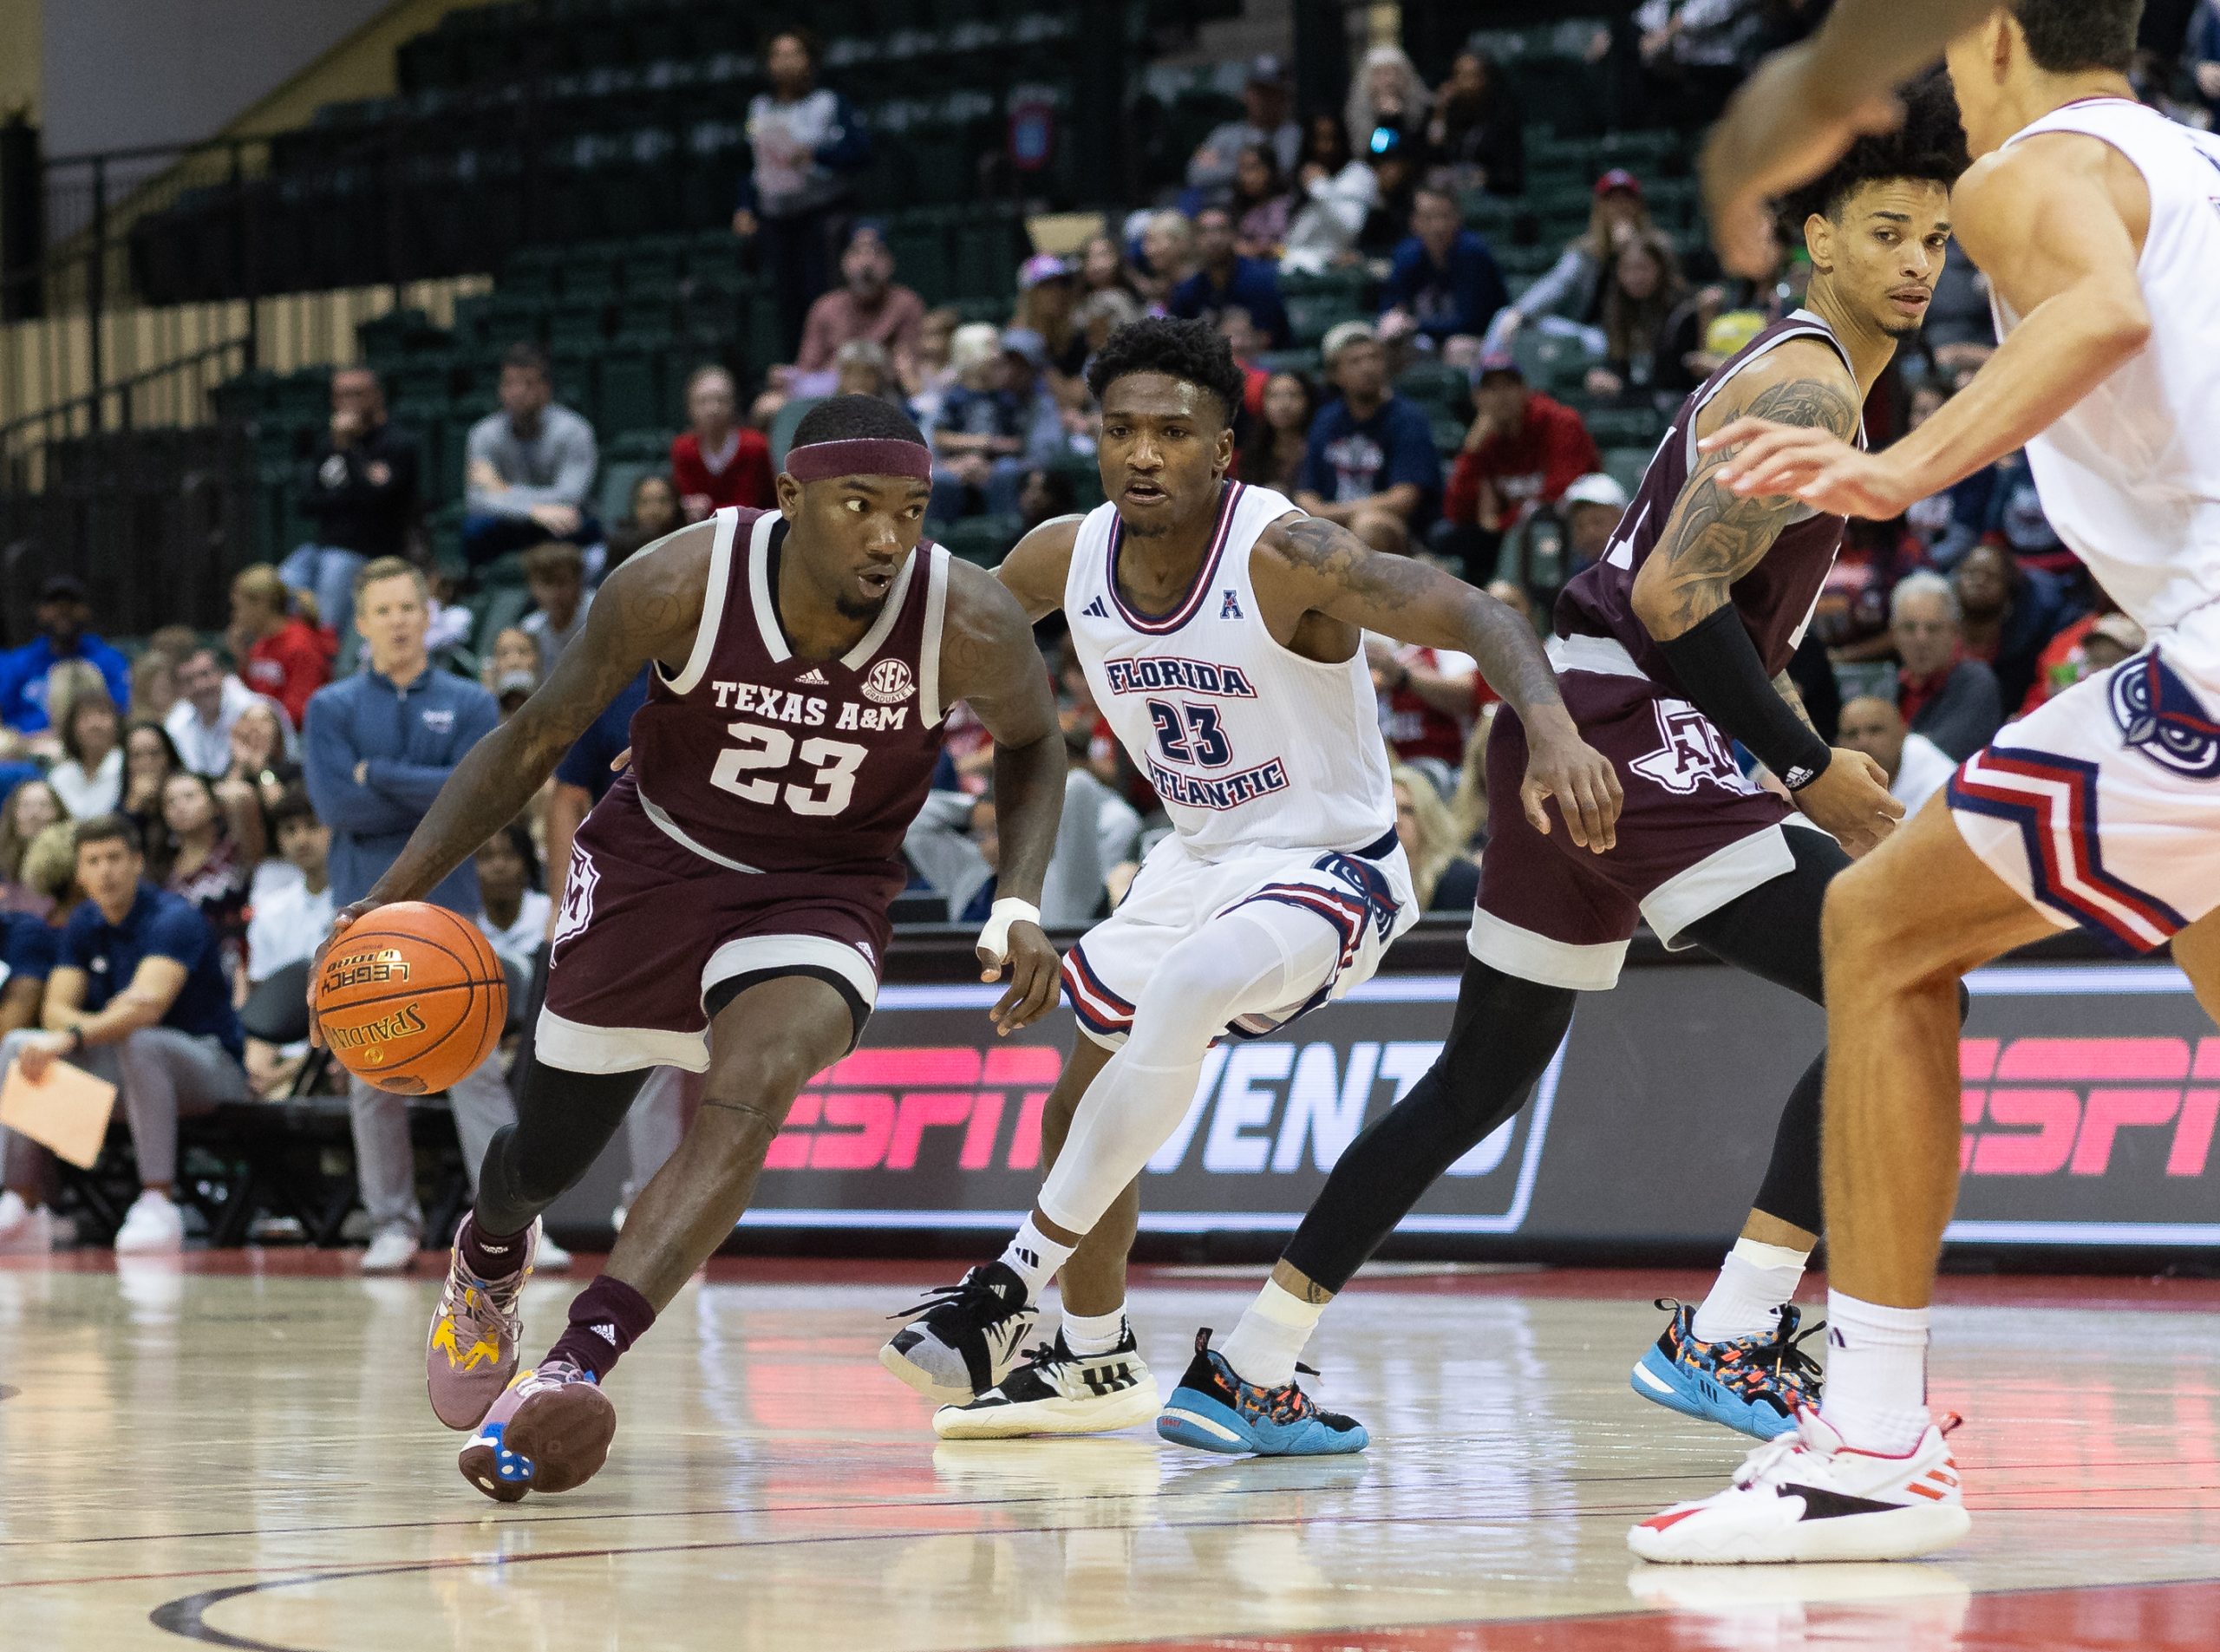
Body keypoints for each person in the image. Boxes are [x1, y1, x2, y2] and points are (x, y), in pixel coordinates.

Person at [1172, 105, 1961, 1462]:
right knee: (1899, 976)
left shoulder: (1810, 374)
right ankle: (1732, 1325)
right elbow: (1673, 589)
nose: (1917, 263)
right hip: (1632, 723)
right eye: (1886, 233)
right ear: (1817, 239)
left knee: (1478, 1075)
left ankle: (1247, 1363)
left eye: (1938, 240)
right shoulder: (1813, 382)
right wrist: (1809, 762)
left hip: (1570, 729)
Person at [1636, 0, 2220, 1563]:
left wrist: (1900, 470)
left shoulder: (2028, 169)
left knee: (1882, 934)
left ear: (1997, 27)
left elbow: (2090, 315)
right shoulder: (2195, 166)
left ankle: (1874, 1442)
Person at [886, 317, 1618, 1445]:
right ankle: (1092, 1359)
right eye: (1120, 429)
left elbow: (1477, 612)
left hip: (1335, 863)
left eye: (1172, 433)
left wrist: (1553, 727)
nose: (1143, 453)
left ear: (1223, 448)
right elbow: (939, 646)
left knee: (1186, 989)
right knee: (1078, 1102)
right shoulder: (1064, 554)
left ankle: (1002, 1290)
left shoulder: (1284, 557)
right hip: (1196, 857)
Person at [322, 395, 1065, 1501]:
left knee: (756, 1084)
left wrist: (1016, 899)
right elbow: (532, 741)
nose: (885, 537)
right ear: (790, 498)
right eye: (857, 507)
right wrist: (380, 906)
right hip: (655, 866)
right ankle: (488, 1252)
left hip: (826, 887)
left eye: (909, 511)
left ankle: (573, 1366)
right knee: (547, 1157)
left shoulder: (967, 615)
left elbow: (1034, 743)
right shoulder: (677, 582)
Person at [303, 558, 526, 1277]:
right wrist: (429, 791)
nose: (399, 619)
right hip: (361, 919)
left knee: (476, 1070)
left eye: (409, 606)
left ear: (428, 614)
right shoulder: (331, 708)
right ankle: (391, 1222)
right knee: (371, 1071)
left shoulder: (468, 700)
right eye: (384, 610)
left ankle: (514, 1224)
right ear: (361, 623)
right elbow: (341, 808)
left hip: (451, 919)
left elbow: (479, 795)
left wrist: (383, 774)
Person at [0, 815, 249, 1253]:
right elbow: (55, 1010)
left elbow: (146, 1009)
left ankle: (159, 1200)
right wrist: (98, 1023)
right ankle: (23, 1203)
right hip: (127, 1072)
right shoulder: (83, 922)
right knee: (21, 1045)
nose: (105, 871)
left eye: (115, 858)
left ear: (137, 863)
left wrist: (80, 1033)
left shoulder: (174, 918)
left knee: (141, 1040)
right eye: (92, 861)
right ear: (79, 872)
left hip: (211, 1070)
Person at [733, 27, 872, 357]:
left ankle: (833, 361)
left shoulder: (828, 103)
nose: (786, 62)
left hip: (820, 216)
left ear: (811, 60)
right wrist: (745, 206)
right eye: (778, 55)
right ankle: (799, 366)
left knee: (821, 293)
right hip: (777, 219)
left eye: (795, 53)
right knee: (786, 299)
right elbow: (752, 165)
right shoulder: (759, 108)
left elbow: (861, 152)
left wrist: (815, 155)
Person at [284, 367, 419, 647]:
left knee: (332, 583)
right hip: (322, 546)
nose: (349, 402)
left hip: (371, 551)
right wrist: (350, 493)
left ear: (376, 396)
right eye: (341, 395)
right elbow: (306, 501)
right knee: (282, 581)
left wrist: (347, 451)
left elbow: (378, 502)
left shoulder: (396, 443)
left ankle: (328, 664)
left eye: (357, 394)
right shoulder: (327, 444)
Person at [1294, 322, 1442, 555]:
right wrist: (1321, 515)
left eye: (1374, 358)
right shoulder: (1326, 420)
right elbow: (1305, 493)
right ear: (1335, 374)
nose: (1368, 368)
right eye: (1355, 361)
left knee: (1368, 525)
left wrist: (1326, 515)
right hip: (1333, 528)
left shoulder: (1407, 419)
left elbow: (1403, 499)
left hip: (1401, 537)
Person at [1442, 357, 1603, 558]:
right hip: (1513, 534)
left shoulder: (1560, 422)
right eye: (1491, 389)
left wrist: (1502, 522)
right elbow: (1458, 513)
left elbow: (1562, 493)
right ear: (1477, 398)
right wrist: (1471, 452)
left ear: (1525, 390)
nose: (1501, 397)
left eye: (1509, 385)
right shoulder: (1484, 440)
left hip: (1564, 529)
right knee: (1449, 540)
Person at [0, 825, 75, 1252]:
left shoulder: (23, 933)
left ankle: (30, 1200)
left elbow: (17, 1015)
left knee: (18, 1049)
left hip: (54, 1063)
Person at [463, 343, 600, 567]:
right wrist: (532, 511)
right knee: (473, 529)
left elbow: (570, 495)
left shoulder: (575, 430)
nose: (516, 392)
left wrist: (503, 490)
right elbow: (476, 501)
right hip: (511, 522)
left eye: (527, 384)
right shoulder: (483, 434)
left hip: (559, 522)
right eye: (509, 384)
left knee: (578, 525)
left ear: (546, 389)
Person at [1489, 172, 1653, 351]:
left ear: (1638, 205)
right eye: (1612, 200)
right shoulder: (1585, 251)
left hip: (1632, 332)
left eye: (1626, 199)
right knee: (1504, 316)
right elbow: (1556, 283)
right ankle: (1484, 375)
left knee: (1602, 343)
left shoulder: (1654, 248)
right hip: (1585, 331)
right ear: (1600, 207)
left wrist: (1629, 249)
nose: (1619, 206)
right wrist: (1520, 312)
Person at [1378, 187, 1510, 363]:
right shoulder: (1406, 254)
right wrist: (1393, 319)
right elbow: (1392, 303)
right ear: (1414, 222)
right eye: (1429, 218)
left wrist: (1415, 325)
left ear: (1458, 219)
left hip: (1482, 339)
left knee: (1457, 347)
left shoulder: (1473, 253)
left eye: (1444, 216)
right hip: (1427, 337)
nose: (1438, 226)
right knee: (1390, 339)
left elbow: (1470, 322)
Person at [1890, 569, 2005, 760]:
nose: (1921, 639)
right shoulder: (1886, 685)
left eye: (1933, 628)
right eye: (1909, 628)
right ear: (1893, 634)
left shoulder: (1976, 681)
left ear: (1954, 632)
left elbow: (1938, 757)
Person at [1952, 538, 2075, 712]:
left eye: (1991, 576)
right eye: (1971, 573)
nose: (1979, 581)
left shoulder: (2029, 650)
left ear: (2009, 591)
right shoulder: (1939, 634)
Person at [793, 224, 926, 385]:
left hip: (886, 393)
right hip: (831, 393)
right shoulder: (825, 307)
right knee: (769, 404)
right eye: (857, 253)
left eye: (876, 253)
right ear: (844, 262)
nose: (867, 263)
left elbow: (912, 369)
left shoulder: (907, 304)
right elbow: (806, 369)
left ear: (890, 262)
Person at [0, 576, 131, 735]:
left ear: (86, 610)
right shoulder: (19, 663)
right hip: (32, 747)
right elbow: (6, 717)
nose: (63, 611)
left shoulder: (109, 660)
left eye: (71, 604)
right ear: (40, 611)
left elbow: (121, 708)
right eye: (54, 604)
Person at [159, 771, 251, 984]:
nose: (179, 806)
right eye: (170, 802)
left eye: (190, 796)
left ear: (214, 804)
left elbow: (240, 797)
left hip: (242, 966)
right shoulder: (162, 869)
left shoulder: (236, 849)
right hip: (190, 974)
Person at [1166, 207, 1291, 349]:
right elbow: (1177, 341)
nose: (1214, 239)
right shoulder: (1187, 291)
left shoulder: (1261, 280)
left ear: (1235, 235)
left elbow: (1267, 338)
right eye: (1205, 232)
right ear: (1194, 240)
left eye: (1221, 230)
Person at [232, 565, 336, 732]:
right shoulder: (259, 645)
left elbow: (300, 712)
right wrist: (242, 660)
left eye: (239, 607)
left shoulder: (301, 644)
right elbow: (247, 700)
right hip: (264, 736)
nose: (236, 616)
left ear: (261, 604)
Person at [1185, 54, 1301, 199]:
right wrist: (1253, 168)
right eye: (1257, 90)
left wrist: (1221, 165)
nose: (1262, 99)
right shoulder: (1224, 134)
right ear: (1246, 93)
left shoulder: (1291, 134)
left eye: (1270, 92)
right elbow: (1195, 174)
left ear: (1284, 97)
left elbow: (1281, 171)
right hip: (1221, 211)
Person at [1588, 232, 1688, 399]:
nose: (1635, 277)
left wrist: (1623, 388)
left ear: (1660, 269)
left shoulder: (1682, 311)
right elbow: (1618, 365)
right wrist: (1604, 377)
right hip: (1633, 401)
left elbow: (1675, 380)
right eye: (1627, 269)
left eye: (1642, 268)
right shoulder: (1616, 309)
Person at [669, 366, 773, 521]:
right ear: (690, 407)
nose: (713, 409)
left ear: (733, 403)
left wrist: (708, 510)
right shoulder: (682, 450)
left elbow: (760, 504)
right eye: (703, 402)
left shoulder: (756, 446)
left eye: (721, 400)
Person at [1281, 113, 1378, 276]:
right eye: (1318, 139)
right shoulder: (1302, 174)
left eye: (1332, 138)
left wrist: (1319, 188)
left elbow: (1350, 229)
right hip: (1298, 269)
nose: (1326, 147)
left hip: (1338, 274)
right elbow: (1294, 239)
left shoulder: (1359, 174)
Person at [1837, 693, 1956, 815]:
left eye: (1875, 730)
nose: (1863, 742)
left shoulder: (1941, 785)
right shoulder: (1831, 778)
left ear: (1902, 732)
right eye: (1851, 734)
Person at [1428, 49, 1525, 196]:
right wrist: (1440, 112)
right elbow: (1435, 152)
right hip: (1454, 194)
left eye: (1471, 75)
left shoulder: (1503, 118)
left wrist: (1485, 178)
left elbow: (1510, 172)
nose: (1465, 84)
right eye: (1459, 75)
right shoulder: (1451, 114)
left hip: (1493, 195)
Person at [1392, 762, 1479, 913]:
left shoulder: (1461, 881)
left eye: (1407, 811)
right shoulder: (1362, 877)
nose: (1396, 821)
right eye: (1390, 810)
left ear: (1428, 819)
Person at [162, 648, 260, 780]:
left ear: (222, 674)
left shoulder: (252, 711)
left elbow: (265, 768)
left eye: (205, 674)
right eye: (189, 680)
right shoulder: (175, 724)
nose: (200, 686)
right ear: (179, 690)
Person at [473, 821, 549, 977]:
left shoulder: (551, 918)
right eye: (486, 857)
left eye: (510, 855)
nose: (499, 866)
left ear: (526, 863)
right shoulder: (471, 937)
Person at [519, 542, 592, 684]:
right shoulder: (530, 629)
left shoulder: (599, 614)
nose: (554, 593)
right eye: (546, 583)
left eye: (562, 582)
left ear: (579, 582)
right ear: (532, 586)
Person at [1344, 44, 1433, 161]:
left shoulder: (1424, 111)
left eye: (1395, 73)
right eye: (1380, 74)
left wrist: (1398, 120)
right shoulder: (1356, 114)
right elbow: (1374, 154)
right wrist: (1386, 121)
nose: (1389, 81)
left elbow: (1417, 154)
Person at [1237, 369, 1318, 494]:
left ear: (1308, 400)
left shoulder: (1321, 443)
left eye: (1293, 395)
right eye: (1274, 396)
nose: (1283, 405)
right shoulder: (1254, 449)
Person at [49, 688, 124, 819]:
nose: (94, 724)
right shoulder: (60, 776)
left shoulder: (127, 768)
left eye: (103, 714)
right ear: (72, 727)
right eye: (85, 717)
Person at [0, 779, 64, 917]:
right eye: (26, 806)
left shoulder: (73, 865)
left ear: (59, 813)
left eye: (43, 805)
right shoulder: (2, 863)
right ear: (13, 814)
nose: (34, 814)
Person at [1227, 145, 1296, 261]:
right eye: (1242, 169)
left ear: (1270, 169)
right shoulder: (1236, 207)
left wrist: (1261, 250)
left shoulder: (1289, 206)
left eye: (1253, 168)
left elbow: (1294, 249)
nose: (1246, 177)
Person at [1560, 472, 1630, 578]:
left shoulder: (1640, 567)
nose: (1589, 532)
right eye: (1579, 526)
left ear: (1622, 520)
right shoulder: (1576, 575)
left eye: (1598, 522)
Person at [607, 473, 684, 571]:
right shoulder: (619, 545)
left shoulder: (686, 542)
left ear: (675, 504)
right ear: (634, 506)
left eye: (663, 501)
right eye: (645, 502)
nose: (654, 510)